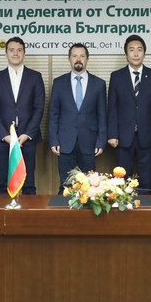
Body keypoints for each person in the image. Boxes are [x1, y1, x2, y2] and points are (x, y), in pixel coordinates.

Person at [0, 37, 45, 194]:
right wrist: (5, 136)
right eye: (11, 50)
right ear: (6, 53)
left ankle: (28, 211)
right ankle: (3, 211)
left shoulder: (35, 77)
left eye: (19, 50)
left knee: (29, 184)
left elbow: (39, 108)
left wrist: (27, 134)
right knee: (3, 183)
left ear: (24, 53)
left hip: (27, 138)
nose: (15, 53)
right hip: (4, 139)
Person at [49, 43, 107, 193]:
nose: (78, 59)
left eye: (82, 56)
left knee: (89, 188)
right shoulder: (59, 83)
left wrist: (101, 141)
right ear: (69, 59)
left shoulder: (99, 84)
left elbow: (102, 115)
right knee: (66, 187)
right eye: (74, 56)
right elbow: (54, 113)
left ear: (87, 59)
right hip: (65, 143)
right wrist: (54, 140)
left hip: (89, 143)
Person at [107, 34, 151, 194]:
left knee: (146, 179)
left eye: (139, 50)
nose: (136, 53)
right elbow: (112, 107)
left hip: (148, 136)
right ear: (126, 54)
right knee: (122, 179)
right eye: (132, 50)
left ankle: (146, 207)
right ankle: (122, 207)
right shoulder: (116, 76)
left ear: (144, 53)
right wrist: (112, 134)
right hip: (123, 137)